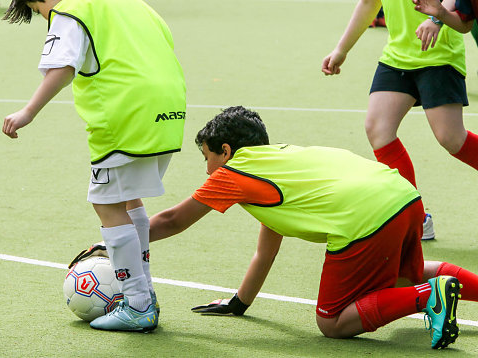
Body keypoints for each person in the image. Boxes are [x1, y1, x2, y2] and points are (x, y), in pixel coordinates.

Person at [148, 106, 478, 349]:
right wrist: (240, 302)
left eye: (207, 158)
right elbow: (266, 250)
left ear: (225, 151)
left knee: (332, 322)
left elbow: (173, 221)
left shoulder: (233, 173)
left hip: (366, 216)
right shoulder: (281, 161)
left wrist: (119, 238)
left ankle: (429, 296)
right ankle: (434, 288)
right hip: (404, 196)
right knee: (407, 275)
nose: (207, 170)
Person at [2, 0, 186, 332]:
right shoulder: (131, 5)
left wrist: (28, 112)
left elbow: (64, 66)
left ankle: (138, 305)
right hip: (170, 108)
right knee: (129, 199)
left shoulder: (71, 10)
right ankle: (145, 294)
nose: (47, 20)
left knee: (105, 202)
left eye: (40, 13)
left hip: (126, 112)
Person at [322, 0, 478, 241]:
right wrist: (341, 49)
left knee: (451, 139)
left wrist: (436, 19)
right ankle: (416, 218)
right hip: (397, 56)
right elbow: (368, 3)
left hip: (439, 54)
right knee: (378, 130)